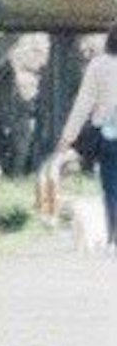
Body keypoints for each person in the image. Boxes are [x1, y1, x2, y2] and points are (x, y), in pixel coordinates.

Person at [46, 36, 117, 252]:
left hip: (109, 135)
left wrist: (67, 138)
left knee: (112, 188)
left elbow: (83, 103)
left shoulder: (99, 65)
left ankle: (114, 238)